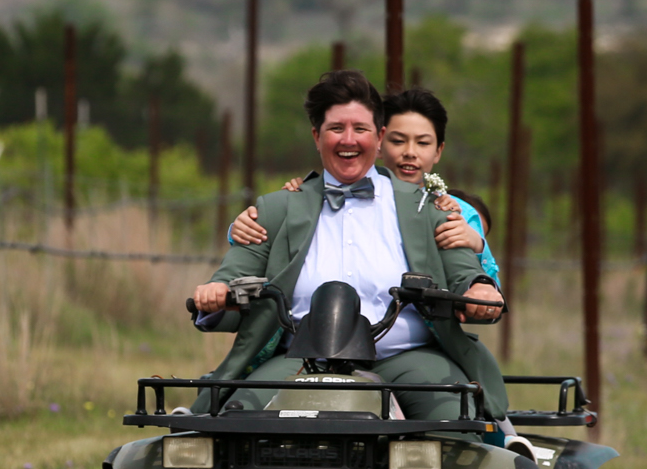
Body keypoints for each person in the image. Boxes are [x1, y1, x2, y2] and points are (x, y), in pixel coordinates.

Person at [190, 70, 507, 421]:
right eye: (336, 129)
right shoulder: (277, 208)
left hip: (405, 357)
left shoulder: (428, 207)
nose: (348, 140)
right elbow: (236, 270)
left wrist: (481, 288)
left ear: (379, 135)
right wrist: (217, 290)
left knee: (455, 419)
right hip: (299, 359)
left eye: (360, 129)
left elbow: (463, 269)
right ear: (316, 136)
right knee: (237, 421)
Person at [230, 86, 498, 284]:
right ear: (379, 142)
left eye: (423, 142)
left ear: (439, 151)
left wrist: (477, 244)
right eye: (398, 140)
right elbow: (268, 234)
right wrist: (245, 225)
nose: (410, 152)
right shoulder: (320, 190)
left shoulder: (452, 212)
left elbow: (488, 289)